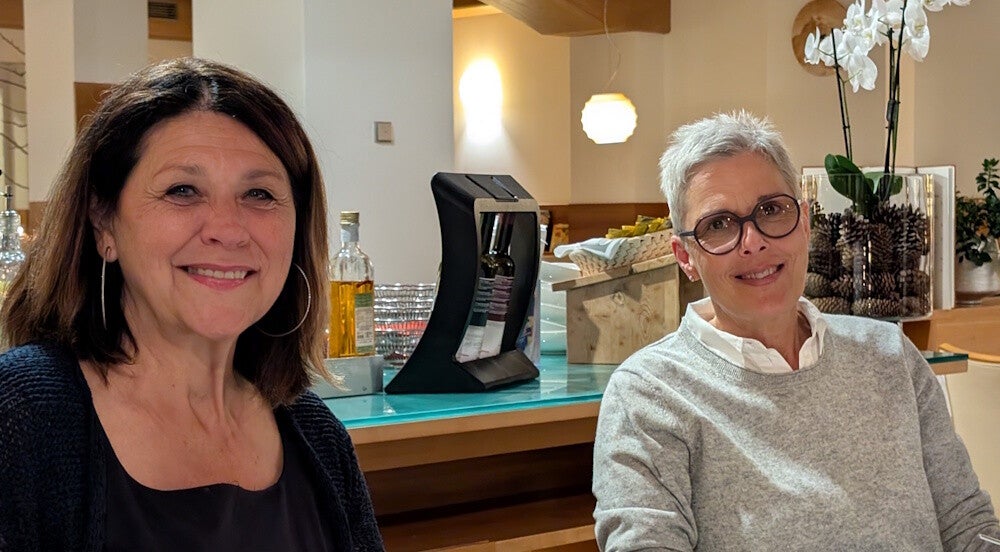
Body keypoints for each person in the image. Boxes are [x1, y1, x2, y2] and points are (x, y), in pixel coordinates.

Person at [0, 57, 383, 551]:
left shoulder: (316, 435)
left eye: (259, 194)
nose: (227, 229)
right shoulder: (22, 415)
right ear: (103, 222)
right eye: (182, 191)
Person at [592, 111, 1000, 551]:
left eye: (771, 210)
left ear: (805, 222)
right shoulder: (649, 394)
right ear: (686, 256)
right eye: (719, 224)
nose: (753, 241)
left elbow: (967, 526)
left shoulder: (890, 355)